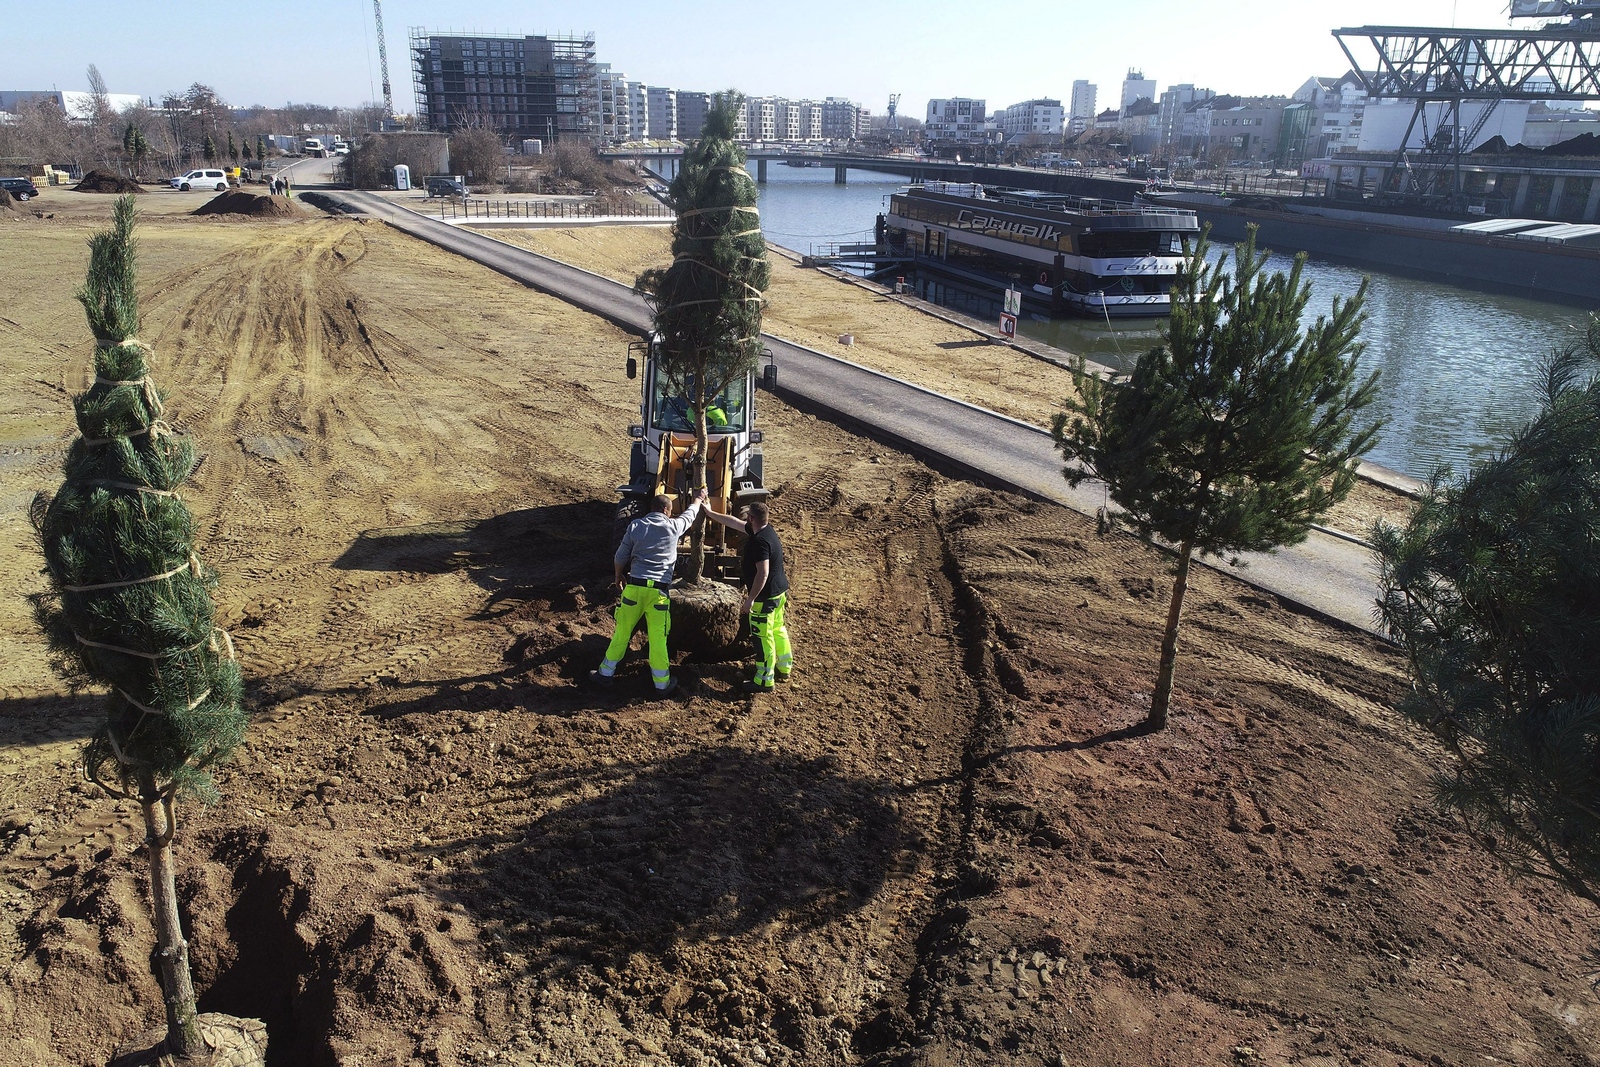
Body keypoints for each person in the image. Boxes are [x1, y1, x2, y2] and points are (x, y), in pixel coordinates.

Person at [591, 487, 707, 695]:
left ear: (652, 509)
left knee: (622, 632)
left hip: (634, 589)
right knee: (657, 639)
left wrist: (618, 576)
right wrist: (698, 498)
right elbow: (690, 514)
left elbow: (620, 557)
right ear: (666, 511)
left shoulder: (636, 526)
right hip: (659, 594)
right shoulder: (673, 527)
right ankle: (662, 684)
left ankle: (605, 674)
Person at [705, 500, 792, 693]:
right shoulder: (766, 530)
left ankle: (764, 680)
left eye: (747, 518)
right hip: (779, 593)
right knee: (778, 629)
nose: (745, 520)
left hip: (765, 599)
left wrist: (751, 599)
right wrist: (710, 513)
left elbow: (763, 573)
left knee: (762, 638)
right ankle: (784, 667)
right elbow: (734, 522)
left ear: (751, 518)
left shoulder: (759, 542)